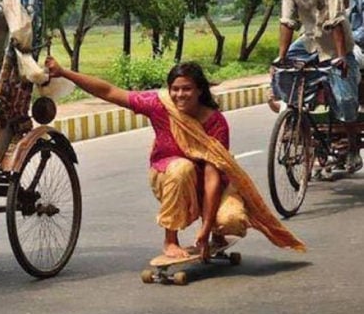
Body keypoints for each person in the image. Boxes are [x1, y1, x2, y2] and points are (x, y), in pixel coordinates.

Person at [44, 57, 306, 259]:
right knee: (182, 168)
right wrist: (65, 72)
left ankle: (214, 234)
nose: (180, 95)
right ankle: (170, 240)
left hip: (209, 186)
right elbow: (111, 92)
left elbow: (214, 176)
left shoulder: (216, 123)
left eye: (187, 89)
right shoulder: (160, 106)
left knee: (232, 221)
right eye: (175, 89)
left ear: (200, 91)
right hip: (170, 178)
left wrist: (204, 230)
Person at [275, 0, 362, 172]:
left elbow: (335, 21)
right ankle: (296, 123)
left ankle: (353, 146)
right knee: (285, 77)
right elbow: (287, 22)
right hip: (310, 41)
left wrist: (342, 56)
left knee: (346, 99)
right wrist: (281, 57)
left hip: (337, 43)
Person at [326, 0, 364, 104]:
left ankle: (349, 99)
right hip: (326, 45)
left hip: (356, 47)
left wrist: (345, 37)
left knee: (349, 57)